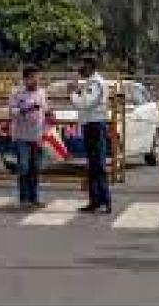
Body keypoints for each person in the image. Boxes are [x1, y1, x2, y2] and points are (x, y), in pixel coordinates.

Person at [68, 55, 112, 214]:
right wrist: (78, 91)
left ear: (91, 67)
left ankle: (105, 200)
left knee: (98, 165)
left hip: (95, 125)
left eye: (83, 66)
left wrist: (73, 93)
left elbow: (84, 103)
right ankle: (95, 200)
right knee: (93, 165)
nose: (80, 69)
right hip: (91, 125)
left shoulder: (96, 83)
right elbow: (86, 100)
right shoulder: (91, 82)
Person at [8, 64, 48, 209]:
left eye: (37, 77)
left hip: (37, 136)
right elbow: (12, 112)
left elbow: (45, 110)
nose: (36, 80)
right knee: (24, 167)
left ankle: (34, 198)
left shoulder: (42, 92)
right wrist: (26, 109)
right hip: (21, 137)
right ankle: (23, 198)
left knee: (35, 169)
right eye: (32, 77)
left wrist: (49, 115)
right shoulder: (16, 93)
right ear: (25, 79)